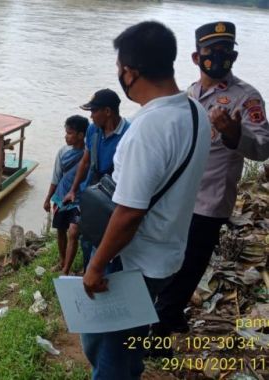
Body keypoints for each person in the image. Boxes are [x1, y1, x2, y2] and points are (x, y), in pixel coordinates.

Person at [80, 21, 211, 379]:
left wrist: (95, 266)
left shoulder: (147, 129)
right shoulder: (195, 112)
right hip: (166, 255)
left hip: (131, 262)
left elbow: (128, 213)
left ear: (131, 72)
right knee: (126, 339)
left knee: (106, 351)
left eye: (120, 69)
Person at [153, 21, 269, 344]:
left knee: (188, 266)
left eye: (226, 51)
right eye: (211, 52)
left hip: (210, 201)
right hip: (179, 197)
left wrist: (235, 135)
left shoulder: (246, 98)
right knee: (172, 261)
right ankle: (173, 316)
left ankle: (159, 336)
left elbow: (263, 147)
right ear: (196, 57)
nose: (219, 57)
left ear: (234, 54)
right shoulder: (188, 94)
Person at [63, 89, 130, 273]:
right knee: (81, 233)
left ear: (107, 112)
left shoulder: (128, 135)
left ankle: (101, 273)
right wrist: (73, 190)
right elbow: (85, 160)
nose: (91, 116)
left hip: (112, 197)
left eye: (94, 111)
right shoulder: (93, 130)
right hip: (91, 193)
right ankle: (87, 270)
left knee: (105, 239)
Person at [43, 115, 88, 275]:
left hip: (80, 199)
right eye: (66, 132)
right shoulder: (63, 152)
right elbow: (56, 177)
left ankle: (66, 269)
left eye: (70, 133)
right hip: (62, 197)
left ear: (81, 135)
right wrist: (48, 198)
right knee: (61, 230)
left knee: (74, 231)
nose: (66, 136)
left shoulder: (89, 152)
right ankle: (63, 260)